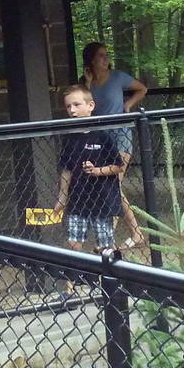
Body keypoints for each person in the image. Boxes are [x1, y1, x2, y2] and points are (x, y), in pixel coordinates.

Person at [81, 42, 148, 248]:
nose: (105, 58)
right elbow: (81, 104)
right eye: (101, 56)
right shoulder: (86, 82)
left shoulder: (118, 77)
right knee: (110, 187)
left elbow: (141, 88)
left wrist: (128, 104)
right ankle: (134, 234)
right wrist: (87, 82)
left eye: (106, 55)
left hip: (121, 136)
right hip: (100, 140)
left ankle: (110, 239)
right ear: (91, 60)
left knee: (113, 185)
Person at [51, 85, 126, 255]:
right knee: (72, 243)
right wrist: (62, 198)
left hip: (101, 199)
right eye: (68, 106)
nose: (72, 110)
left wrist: (98, 171)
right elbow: (66, 170)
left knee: (105, 246)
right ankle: (74, 279)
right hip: (77, 200)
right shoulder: (69, 137)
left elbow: (117, 166)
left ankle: (110, 277)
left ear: (90, 106)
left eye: (77, 105)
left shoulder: (103, 135)